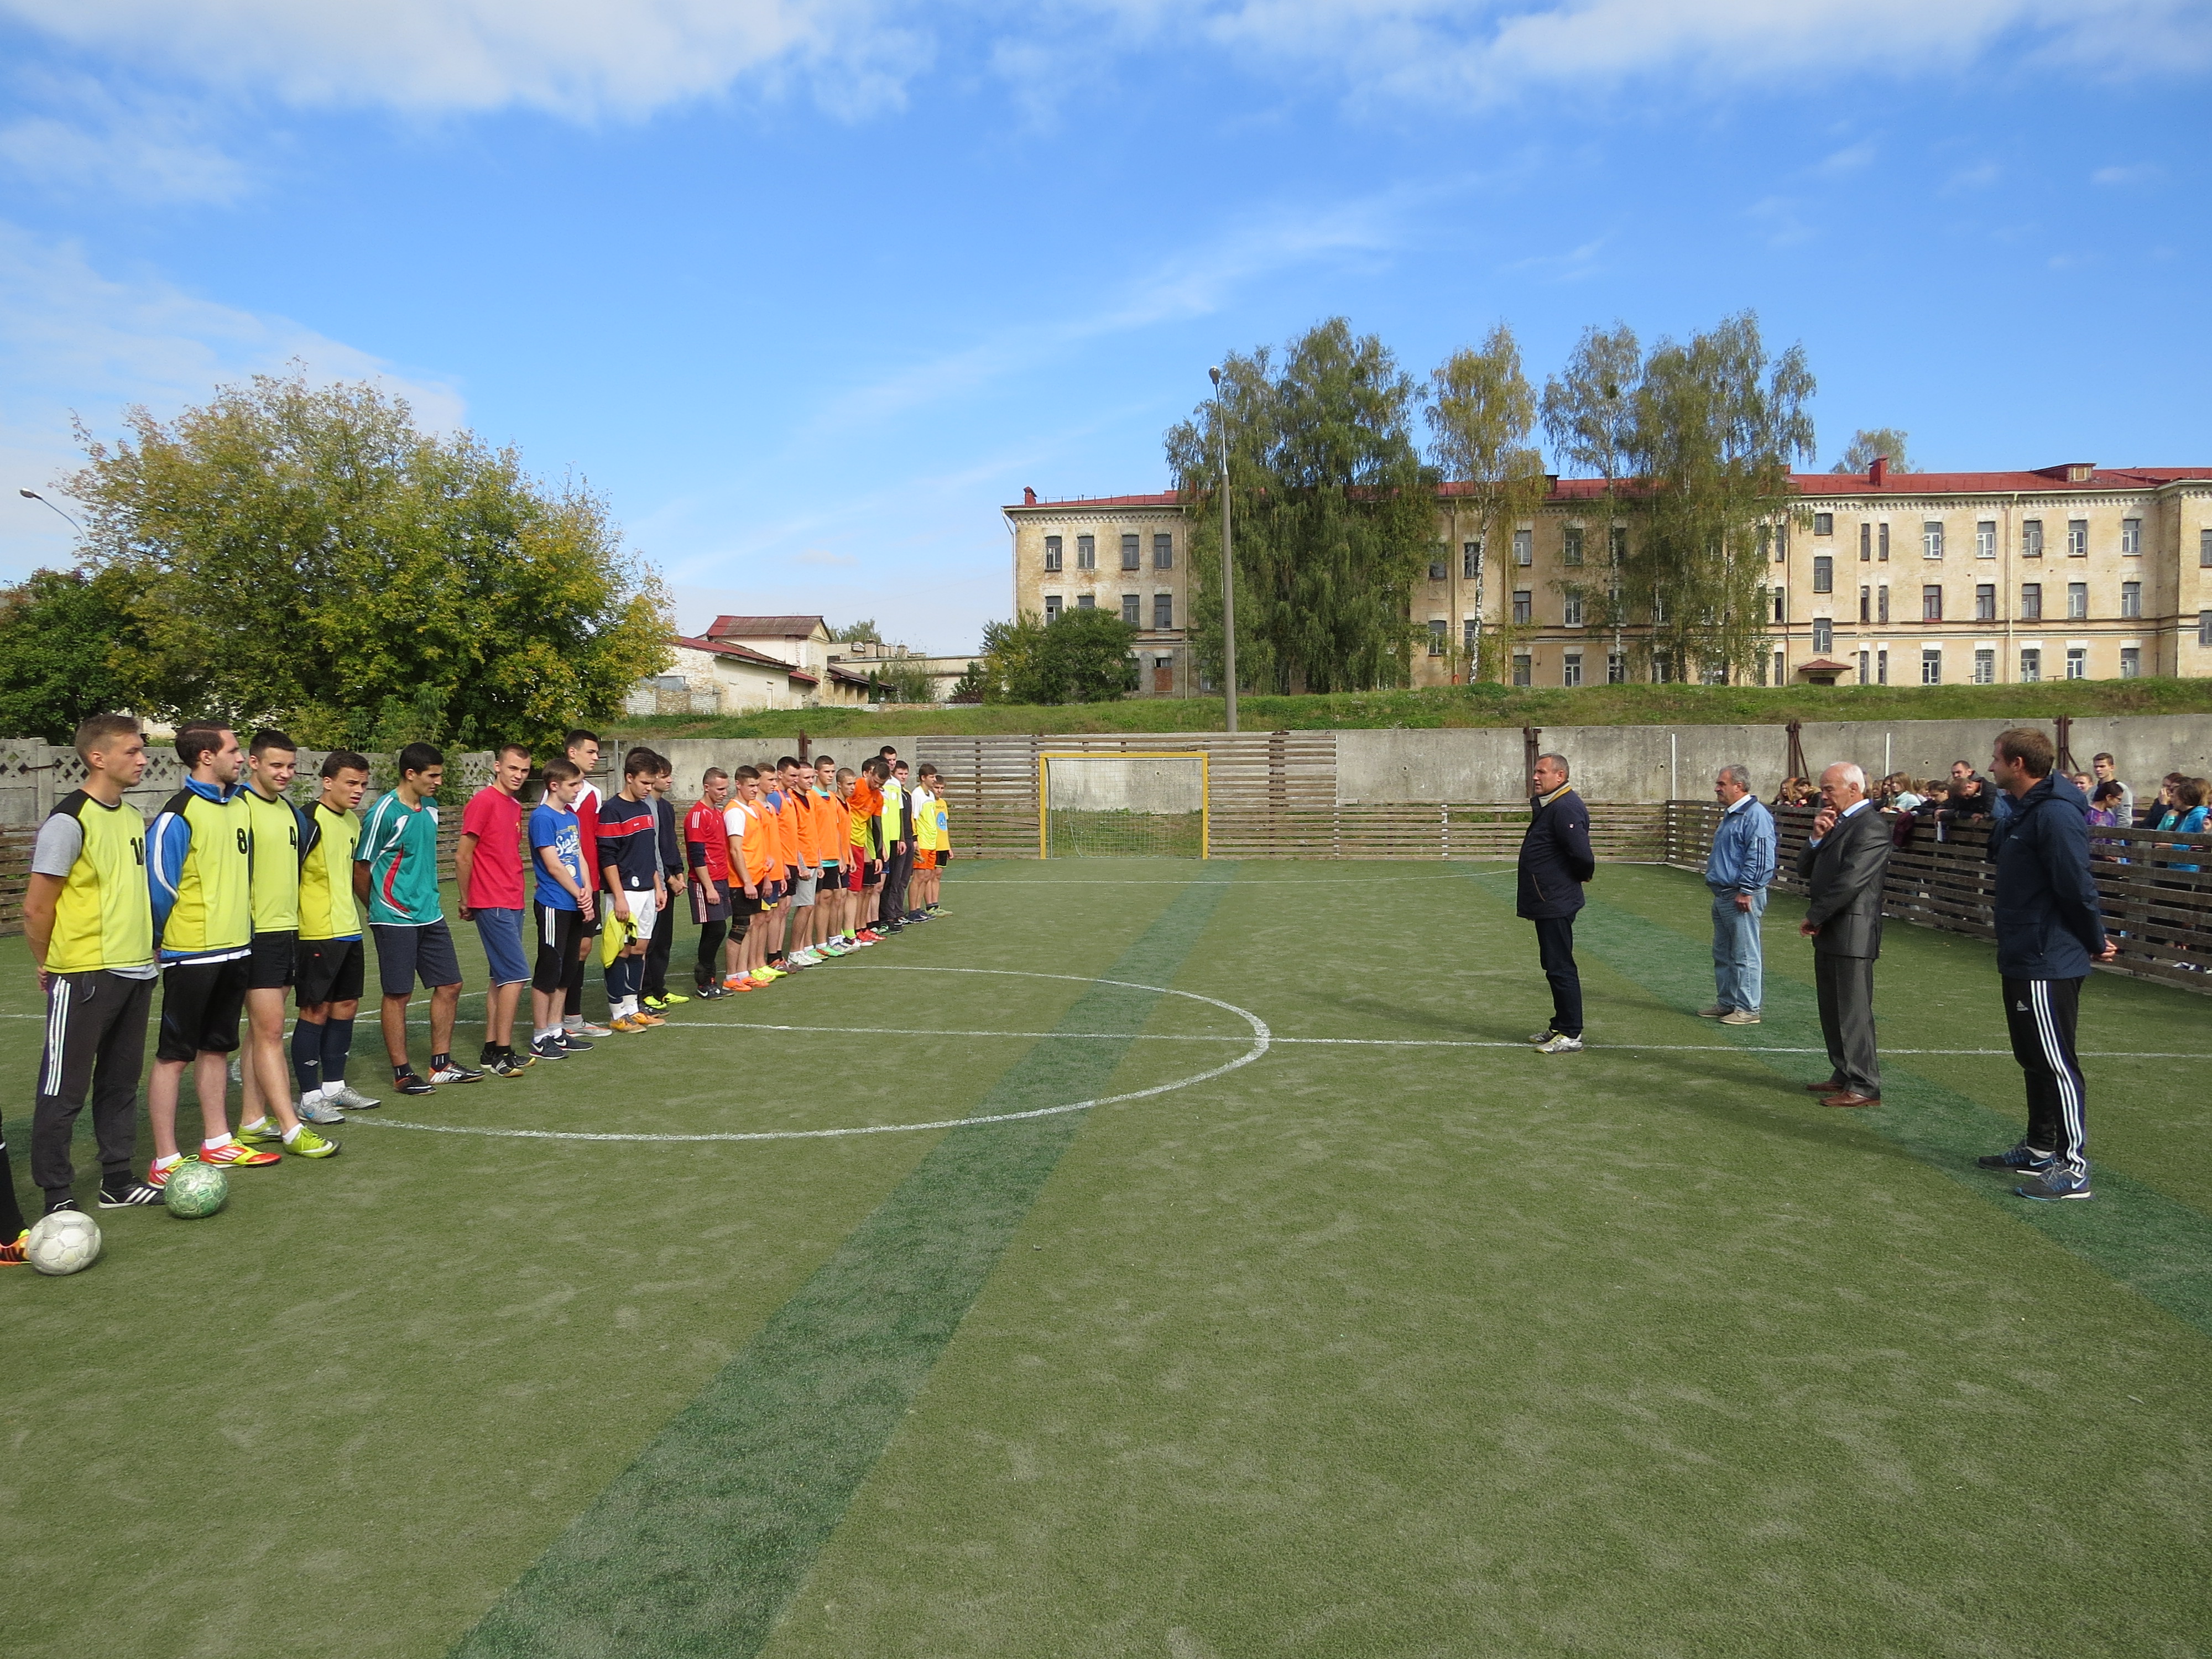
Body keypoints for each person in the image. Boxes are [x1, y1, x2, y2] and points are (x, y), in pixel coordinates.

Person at [20, 713, 161, 1228]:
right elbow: (37, 909)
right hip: (83, 975)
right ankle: (56, 1193)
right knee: (63, 1088)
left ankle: (117, 1182)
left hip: (136, 973)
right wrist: (48, 964)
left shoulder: (128, 816)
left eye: (142, 750)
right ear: (98, 757)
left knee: (121, 1082)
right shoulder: (68, 821)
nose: (143, 759)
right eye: (132, 751)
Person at [1978, 728, 2117, 1201]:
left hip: (2047, 956)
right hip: (2023, 950)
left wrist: (2094, 939)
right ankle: (2040, 1147)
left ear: (2018, 764)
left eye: (1997, 760)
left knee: (2056, 1062)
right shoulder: (2025, 809)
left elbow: (2075, 884)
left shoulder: (2055, 814)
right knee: (2032, 1055)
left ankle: (2073, 1167)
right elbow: (1996, 850)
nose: (1990, 767)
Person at [145, 722, 279, 1181]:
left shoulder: (237, 806)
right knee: (174, 1055)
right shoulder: (177, 814)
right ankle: (164, 1158)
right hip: (191, 954)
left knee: (218, 1046)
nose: (241, 758)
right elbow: (160, 887)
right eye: (234, 750)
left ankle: (218, 1140)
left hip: (236, 949)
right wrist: (162, 940)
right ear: (206, 756)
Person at [233, 729, 340, 1159]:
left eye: (291, 766)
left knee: (262, 1031)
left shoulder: (293, 814)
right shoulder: (237, 808)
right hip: (252, 934)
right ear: (252, 762)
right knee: (272, 1030)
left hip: (286, 931)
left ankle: (252, 1120)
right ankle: (293, 1128)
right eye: (277, 765)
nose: (285, 773)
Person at [358, 742, 481, 1094]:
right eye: (433, 775)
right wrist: (379, 907)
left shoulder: (430, 807)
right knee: (399, 993)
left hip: (430, 913)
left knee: (451, 984)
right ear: (410, 774)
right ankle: (401, 1072)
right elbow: (361, 868)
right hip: (393, 916)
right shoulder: (383, 812)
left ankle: (441, 1064)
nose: (439, 782)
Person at [1796, 762, 1892, 1108]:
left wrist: (1815, 915)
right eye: (1823, 789)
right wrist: (1816, 838)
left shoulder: (1871, 827)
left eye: (1829, 789)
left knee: (1853, 1011)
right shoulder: (1841, 822)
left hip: (1852, 931)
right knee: (1832, 1007)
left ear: (1854, 789)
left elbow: (1851, 881)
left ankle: (1865, 1085)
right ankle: (1843, 1072)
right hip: (1834, 929)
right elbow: (1804, 870)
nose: (1823, 796)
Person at [294, 750, 377, 1117]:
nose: (358, 790)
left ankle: (335, 1087)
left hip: (348, 929)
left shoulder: (352, 823)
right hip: (315, 932)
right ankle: (310, 1098)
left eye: (363, 784)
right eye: (351, 783)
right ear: (327, 782)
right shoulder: (306, 821)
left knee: (346, 1005)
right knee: (315, 1009)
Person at [457, 742, 534, 1077]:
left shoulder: (513, 805)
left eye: (525, 770)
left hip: (512, 898)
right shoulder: (484, 801)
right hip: (492, 900)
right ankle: (503, 1053)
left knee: (500, 978)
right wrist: (466, 898)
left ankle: (491, 1050)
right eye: (513, 768)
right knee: (517, 975)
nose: (518, 775)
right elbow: (463, 855)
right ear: (498, 767)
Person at [1517, 753, 1594, 1055]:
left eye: (1542, 772)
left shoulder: (1565, 807)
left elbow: (1582, 855)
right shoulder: (1554, 805)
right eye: (1535, 772)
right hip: (1549, 898)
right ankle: (1560, 1024)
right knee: (1553, 964)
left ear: (1560, 776)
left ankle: (1571, 1033)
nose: (1535, 777)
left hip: (1555, 899)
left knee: (1561, 966)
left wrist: (1579, 878)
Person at [526, 758, 596, 1060]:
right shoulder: (543, 817)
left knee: (568, 969)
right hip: (555, 902)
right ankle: (540, 1035)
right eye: (573, 785)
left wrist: (588, 890)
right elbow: (553, 865)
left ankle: (557, 1030)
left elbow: (578, 855)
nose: (579, 790)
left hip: (575, 901)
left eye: (579, 784)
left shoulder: (571, 816)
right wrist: (578, 894)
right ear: (554, 786)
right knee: (549, 968)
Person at [597, 748, 668, 1032]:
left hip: (649, 891)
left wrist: (658, 886)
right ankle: (617, 1014)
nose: (649, 789)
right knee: (621, 951)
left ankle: (632, 1007)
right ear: (629, 778)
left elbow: (648, 852)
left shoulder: (645, 808)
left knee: (640, 948)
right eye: (644, 783)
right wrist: (620, 897)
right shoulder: (612, 810)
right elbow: (607, 857)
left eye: (652, 784)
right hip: (624, 892)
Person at [1699, 764, 1775, 1025]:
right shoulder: (1733, 815)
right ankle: (1728, 1002)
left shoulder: (1755, 815)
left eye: (1722, 784)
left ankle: (1748, 1008)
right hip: (1723, 895)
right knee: (1723, 953)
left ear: (1739, 786)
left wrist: (1748, 890)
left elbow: (1761, 856)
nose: (1717, 788)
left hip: (1740, 896)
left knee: (1744, 954)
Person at [559, 729, 613, 1042]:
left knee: (583, 946)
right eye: (591, 752)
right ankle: (559, 1019)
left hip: (588, 881)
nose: (596, 757)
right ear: (572, 753)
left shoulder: (593, 792)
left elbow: (589, 842)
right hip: (568, 885)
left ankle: (572, 1016)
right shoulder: (556, 794)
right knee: (565, 949)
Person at [641, 754, 691, 1012]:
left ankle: (659, 988)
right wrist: (667, 879)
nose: (668, 779)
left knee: (663, 940)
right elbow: (652, 849)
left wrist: (679, 871)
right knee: (647, 940)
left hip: (668, 880)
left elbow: (670, 845)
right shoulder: (645, 807)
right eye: (663, 775)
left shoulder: (667, 807)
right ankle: (645, 990)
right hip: (654, 883)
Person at [685, 767, 735, 997]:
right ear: (707, 787)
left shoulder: (716, 813)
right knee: (716, 929)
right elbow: (696, 856)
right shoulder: (697, 815)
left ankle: (710, 980)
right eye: (720, 789)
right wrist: (709, 887)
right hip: (706, 882)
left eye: (726, 788)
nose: (724, 793)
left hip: (721, 879)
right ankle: (704, 981)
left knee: (715, 930)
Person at [2091, 752, 2132, 823]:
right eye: (2096, 767)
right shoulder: (2092, 790)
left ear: (2112, 768)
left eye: (2102, 766)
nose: (2098, 769)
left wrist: (2118, 834)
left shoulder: (2122, 789)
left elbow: (2125, 818)